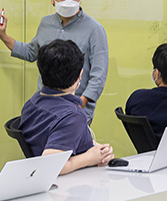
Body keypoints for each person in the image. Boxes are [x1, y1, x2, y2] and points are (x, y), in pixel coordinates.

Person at [0, 0, 108, 122]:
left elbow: (99, 74)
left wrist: (81, 102)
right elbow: (30, 52)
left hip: (74, 112)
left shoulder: (95, 29)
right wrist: (3, 36)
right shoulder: (46, 23)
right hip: (44, 107)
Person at [20, 40, 114, 174]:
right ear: (80, 75)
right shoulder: (72, 115)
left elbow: (60, 135)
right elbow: (49, 165)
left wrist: (94, 148)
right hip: (70, 184)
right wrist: (90, 157)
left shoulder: (32, 103)